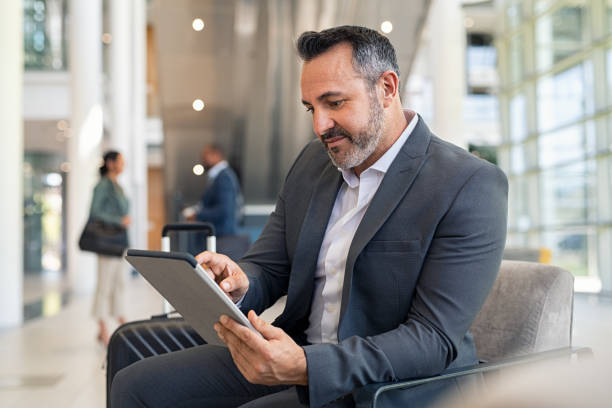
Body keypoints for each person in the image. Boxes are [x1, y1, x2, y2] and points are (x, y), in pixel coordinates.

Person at [111, 25, 507, 407]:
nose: (320, 125)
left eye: (334, 103)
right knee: (135, 385)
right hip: (295, 352)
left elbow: (432, 339)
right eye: (310, 108)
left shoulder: (467, 184)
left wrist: (306, 366)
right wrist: (238, 281)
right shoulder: (312, 164)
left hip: (389, 386)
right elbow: (269, 265)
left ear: (386, 88)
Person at [89, 150, 130, 346]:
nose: (124, 164)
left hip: (118, 242)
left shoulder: (116, 185)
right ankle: (103, 326)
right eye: (121, 161)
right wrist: (118, 220)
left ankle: (119, 318)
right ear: (110, 163)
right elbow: (95, 213)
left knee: (118, 283)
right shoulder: (103, 185)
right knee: (104, 285)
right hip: (107, 242)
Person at [184, 144, 242, 237]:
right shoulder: (218, 176)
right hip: (217, 235)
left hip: (222, 236)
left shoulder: (224, 177)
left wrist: (197, 215)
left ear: (216, 155)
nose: (203, 159)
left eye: (206, 155)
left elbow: (223, 210)